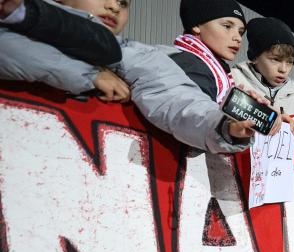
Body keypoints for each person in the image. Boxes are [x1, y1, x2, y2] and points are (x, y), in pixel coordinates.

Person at [0, 0, 262, 154]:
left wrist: (223, 127)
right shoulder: (14, 13)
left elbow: (178, 100)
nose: (114, 6)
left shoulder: (139, 56)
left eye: (123, 2)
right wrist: (88, 74)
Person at [230, 17, 294, 149]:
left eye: (290, 62)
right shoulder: (232, 80)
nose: (283, 69)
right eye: (275, 59)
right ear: (255, 56)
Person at [171, 0, 248, 104]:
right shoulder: (190, 65)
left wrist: (242, 107)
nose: (238, 38)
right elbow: (197, 115)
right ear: (196, 25)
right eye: (227, 26)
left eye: (240, 32)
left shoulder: (203, 65)